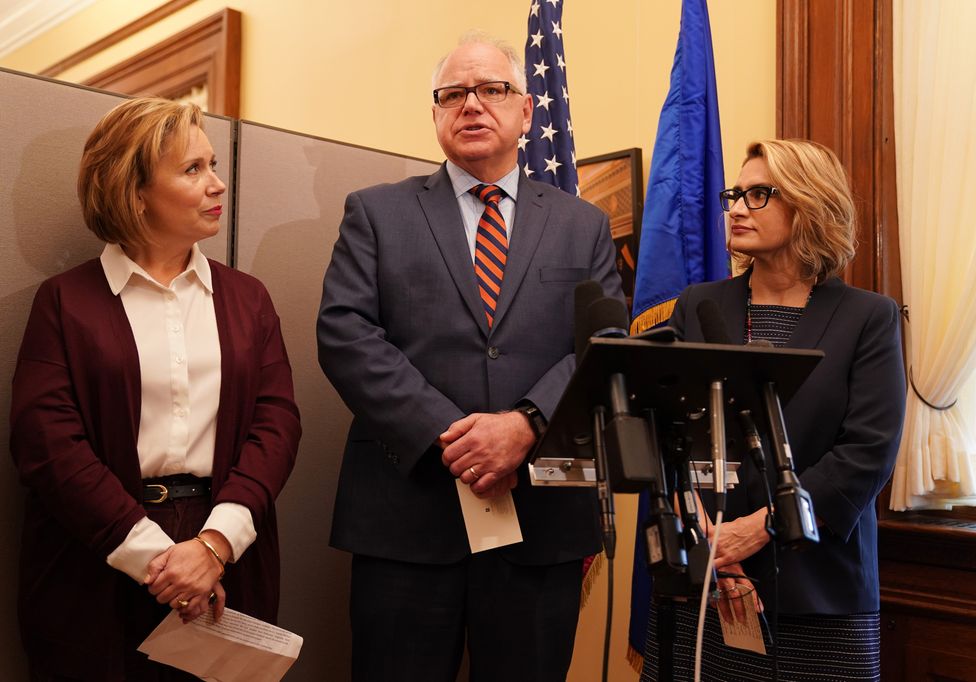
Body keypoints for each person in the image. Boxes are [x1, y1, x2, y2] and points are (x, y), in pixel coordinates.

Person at [317, 33, 621, 682]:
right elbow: (345, 334)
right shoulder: (375, 213)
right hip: (405, 520)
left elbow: (599, 344)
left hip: (538, 526)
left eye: (492, 89)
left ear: (526, 112)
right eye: (452, 94)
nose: (471, 105)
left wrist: (525, 424)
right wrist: (449, 438)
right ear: (435, 114)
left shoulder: (583, 224)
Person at [9, 97, 301, 681]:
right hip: (95, 557)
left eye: (214, 164)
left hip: (226, 552)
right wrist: (157, 561)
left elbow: (277, 424)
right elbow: (46, 442)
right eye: (193, 170)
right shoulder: (65, 302)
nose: (218, 184)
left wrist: (214, 546)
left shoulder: (248, 299)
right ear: (134, 190)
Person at [641, 139, 906, 681]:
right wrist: (719, 546)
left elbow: (867, 453)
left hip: (819, 591)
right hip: (710, 581)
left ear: (810, 203)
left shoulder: (868, 318)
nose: (736, 207)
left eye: (758, 193)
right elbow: (666, 436)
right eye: (735, 194)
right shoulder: (700, 305)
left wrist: (758, 528)